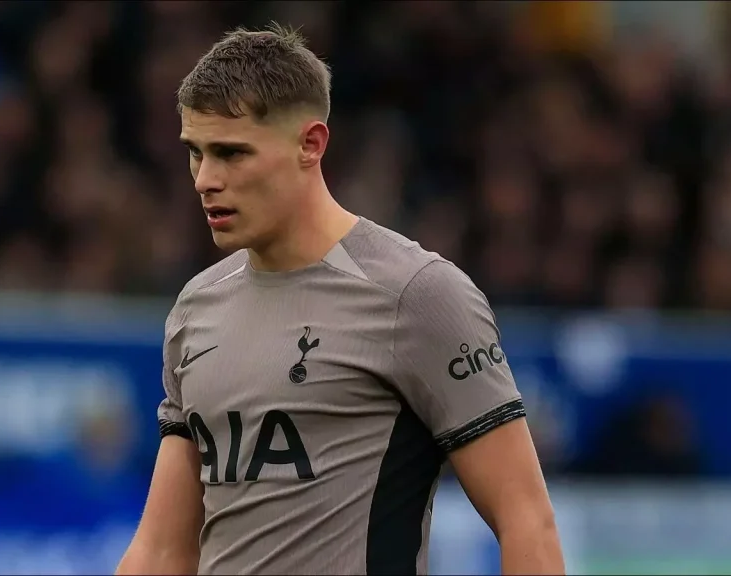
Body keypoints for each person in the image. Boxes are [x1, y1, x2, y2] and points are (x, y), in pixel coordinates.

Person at [116, 24, 564, 576]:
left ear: (311, 144)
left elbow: (526, 520)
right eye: (196, 153)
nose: (205, 179)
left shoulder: (416, 295)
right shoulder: (196, 308)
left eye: (232, 153)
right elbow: (162, 551)